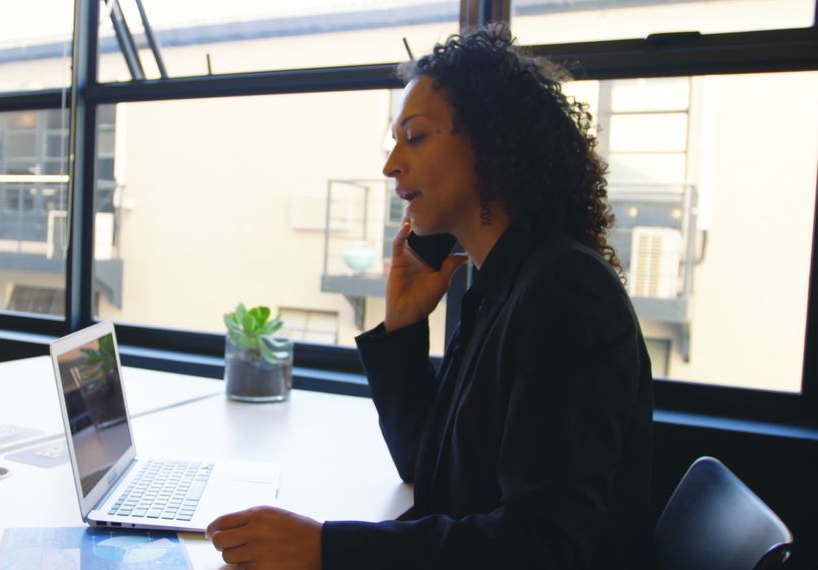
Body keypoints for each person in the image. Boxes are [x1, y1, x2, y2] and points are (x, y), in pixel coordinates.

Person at [206, 24, 654, 569]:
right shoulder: (501, 284)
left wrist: (327, 549)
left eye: (415, 138)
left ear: (492, 144)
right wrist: (403, 326)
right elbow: (427, 467)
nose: (391, 165)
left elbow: (542, 547)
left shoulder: (564, 296)